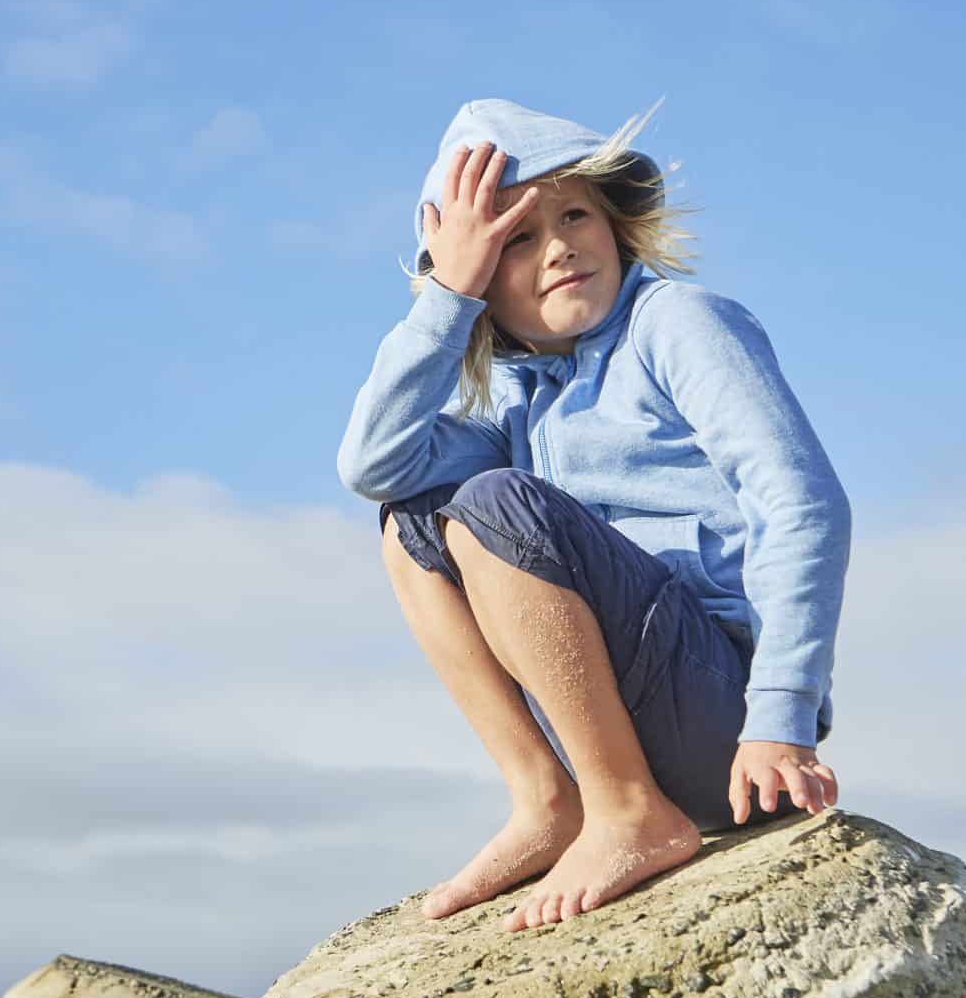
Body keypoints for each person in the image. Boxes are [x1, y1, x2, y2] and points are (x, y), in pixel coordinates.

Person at [338, 99, 851, 931]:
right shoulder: (517, 404)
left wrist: (782, 716)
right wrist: (446, 295)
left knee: (496, 503)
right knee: (414, 521)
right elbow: (373, 466)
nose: (559, 247)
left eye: (574, 215)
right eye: (516, 239)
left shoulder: (675, 323)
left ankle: (628, 811)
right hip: (620, 722)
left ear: (615, 224)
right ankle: (550, 798)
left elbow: (801, 501)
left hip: (726, 722)